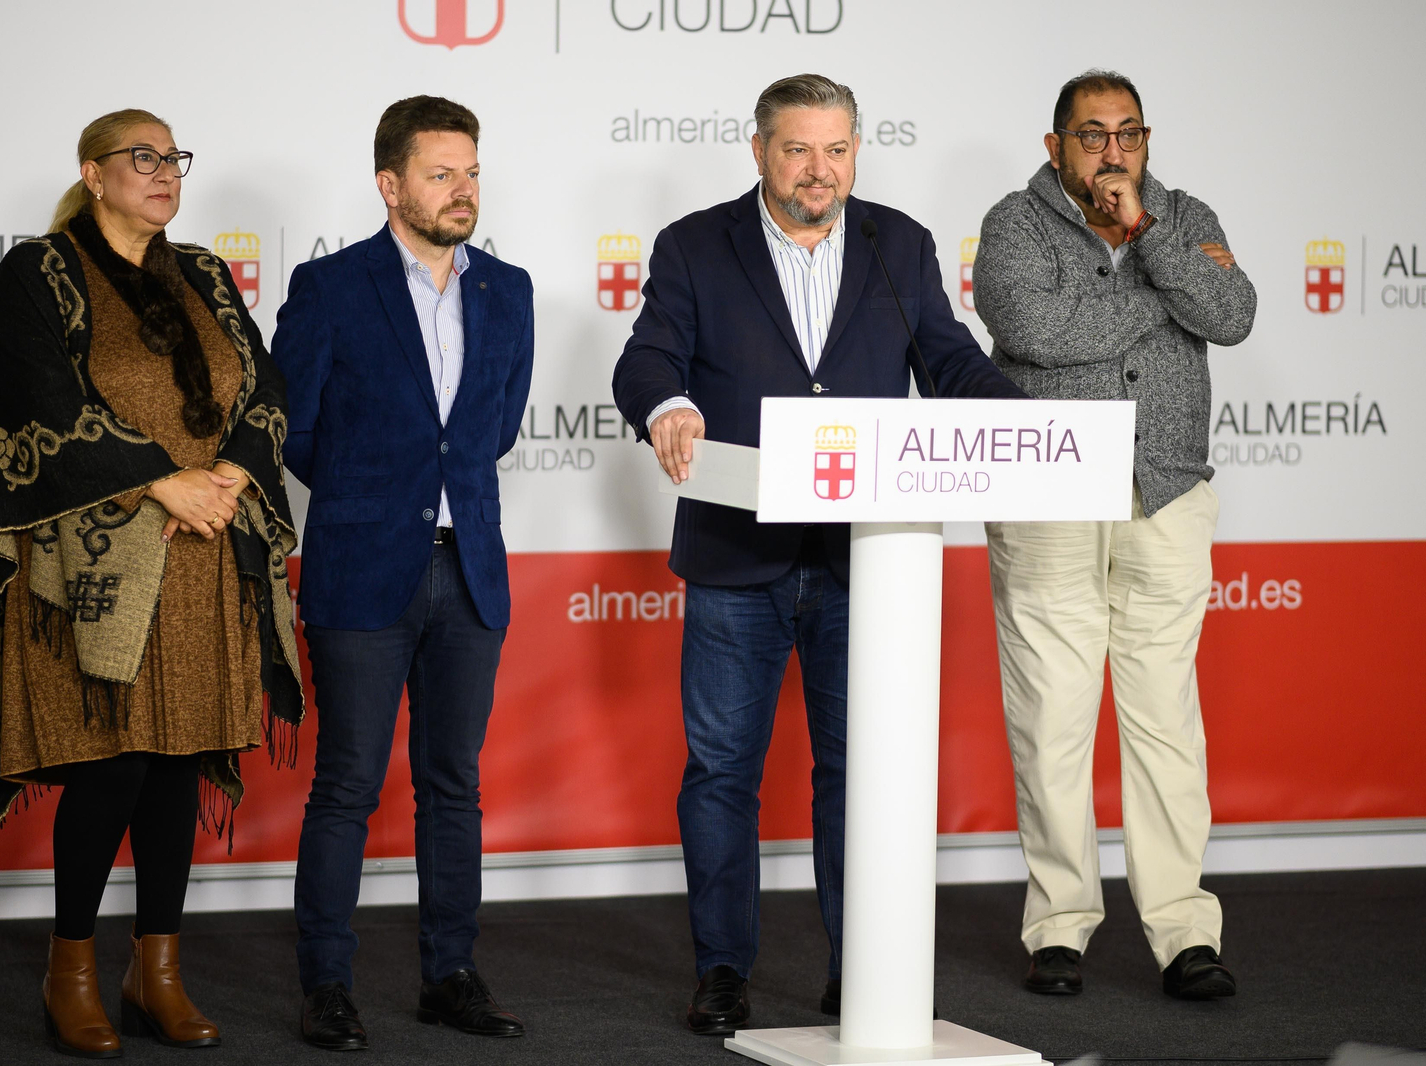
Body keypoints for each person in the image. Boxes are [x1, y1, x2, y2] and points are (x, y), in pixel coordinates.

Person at [612, 73, 1025, 1036]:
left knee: (858, 773)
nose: (819, 170)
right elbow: (648, 357)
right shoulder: (693, 244)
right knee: (722, 773)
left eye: (837, 150)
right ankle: (722, 971)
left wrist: (1020, 419)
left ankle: (862, 969)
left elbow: (949, 360)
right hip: (736, 557)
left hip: (866, 562)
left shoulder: (898, 242)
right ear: (759, 150)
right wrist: (667, 406)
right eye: (798, 149)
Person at [0, 108, 305, 1057]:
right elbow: (41, 401)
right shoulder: (39, 270)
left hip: (205, 555)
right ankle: (69, 970)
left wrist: (226, 474)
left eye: (173, 158)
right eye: (141, 157)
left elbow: (264, 389)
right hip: (93, 567)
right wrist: (163, 482)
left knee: (178, 765)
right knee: (111, 767)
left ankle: (157, 974)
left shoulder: (206, 274)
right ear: (93, 172)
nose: (163, 172)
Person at [972, 69, 1257, 1000]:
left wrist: (1150, 237)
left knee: (1165, 720)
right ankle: (1059, 926)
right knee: (1052, 718)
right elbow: (1034, 330)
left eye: (1128, 133)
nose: (1112, 151)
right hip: (1048, 493)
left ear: (1146, 140)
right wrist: (1166, 290)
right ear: (1056, 146)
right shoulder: (1015, 223)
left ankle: (1184, 933)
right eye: (1091, 134)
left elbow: (1232, 314)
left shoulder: (1182, 214)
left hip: (1165, 493)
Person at [274, 95, 535, 1052]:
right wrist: (373, 497)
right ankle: (326, 985)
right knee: (346, 784)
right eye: (441, 174)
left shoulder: (509, 289)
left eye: (472, 172)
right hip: (361, 569)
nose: (464, 190)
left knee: (453, 785)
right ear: (390, 185)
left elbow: (494, 429)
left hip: (470, 572)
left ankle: (449, 975)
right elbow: (293, 429)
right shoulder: (329, 286)